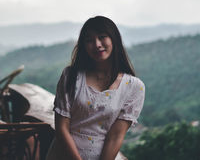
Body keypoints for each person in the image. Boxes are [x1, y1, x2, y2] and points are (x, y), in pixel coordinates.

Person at [46, 16, 145, 160]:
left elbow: (116, 136)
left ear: (114, 39)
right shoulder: (71, 76)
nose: (97, 44)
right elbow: (62, 128)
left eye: (102, 37)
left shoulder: (134, 87)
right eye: (89, 40)